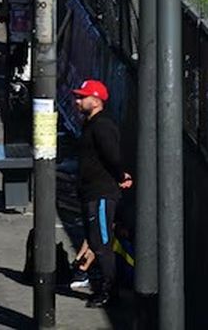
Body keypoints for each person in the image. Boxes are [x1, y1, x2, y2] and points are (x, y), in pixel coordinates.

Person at [72, 79, 129, 307]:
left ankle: (108, 290)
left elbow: (112, 156)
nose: (77, 101)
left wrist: (120, 177)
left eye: (82, 97)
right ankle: (104, 283)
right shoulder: (91, 124)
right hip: (92, 192)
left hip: (101, 192)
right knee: (97, 241)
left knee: (101, 242)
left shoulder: (101, 126)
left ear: (95, 101)